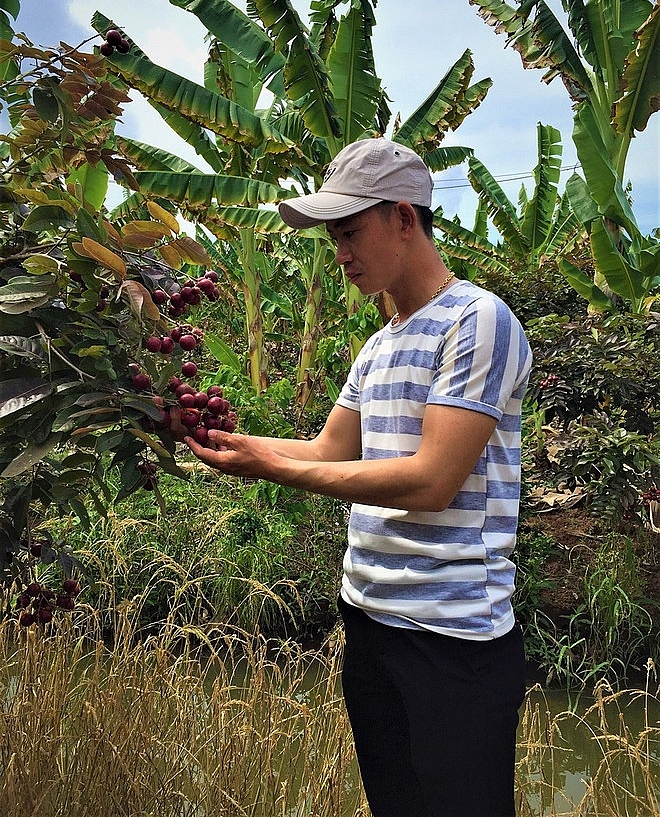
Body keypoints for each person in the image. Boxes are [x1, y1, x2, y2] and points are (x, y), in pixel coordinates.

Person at [183, 137, 532, 816]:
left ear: (404, 219)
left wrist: (273, 471)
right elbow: (327, 448)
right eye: (332, 237)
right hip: (371, 622)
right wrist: (212, 434)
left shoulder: (477, 319)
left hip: (451, 640)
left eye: (349, 232)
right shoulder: (380, 345)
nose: (339, 252)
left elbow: (432, 481)